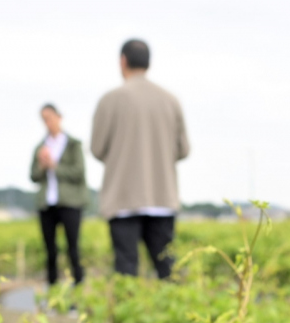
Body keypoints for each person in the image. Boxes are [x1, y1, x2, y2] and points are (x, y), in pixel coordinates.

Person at [91, 39, 190, 279]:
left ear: (122, 61)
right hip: (161, 197)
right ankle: (174, 315)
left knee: (126, 268)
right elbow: (184, 150)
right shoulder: (170, 100)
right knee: (167, 267)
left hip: (123, 198)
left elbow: (97, 149)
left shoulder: (110, 100)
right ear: (149, 63)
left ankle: (128, 315)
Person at [30, 103, 87, 285]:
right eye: (44, 120)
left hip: (70, 203)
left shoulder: (72, 144)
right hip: (48, 203)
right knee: (50, 250)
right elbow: (33, 176)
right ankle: (52, 287)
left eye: (50, 118)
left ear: (59, 117)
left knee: (73, 247)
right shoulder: (41, 146)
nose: (47, 123)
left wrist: (54, 165)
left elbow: (79, 172)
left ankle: (78, 285)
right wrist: (42, 165)